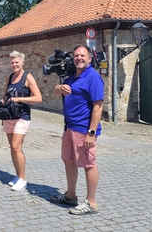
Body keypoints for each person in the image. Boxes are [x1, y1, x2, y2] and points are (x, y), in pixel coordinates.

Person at [50, 44, 103, 215]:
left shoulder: (93, 78)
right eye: (76, 56)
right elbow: (56, 92)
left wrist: (91, 133)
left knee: (88, 164)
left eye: (82, 55)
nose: (79, 58)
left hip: (83, 129)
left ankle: (91, 203)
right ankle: (71, 196)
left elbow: (98, 107)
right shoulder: (73, 77)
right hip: (69, 128)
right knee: (68, 159)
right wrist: (59, 88)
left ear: (89, 58)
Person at [0, 51, 42, 191]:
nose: (14, 65)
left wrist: (19, 99)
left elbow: (38, 98)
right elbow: (5, 97)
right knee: (13, 148)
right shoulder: (10, 77)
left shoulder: (28, 77)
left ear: (22, 62)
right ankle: (18, 175)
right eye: (12, 62)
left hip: (22, 116)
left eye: (16, 62)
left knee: (15, 146)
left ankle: (23, 179)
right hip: (9, 116)